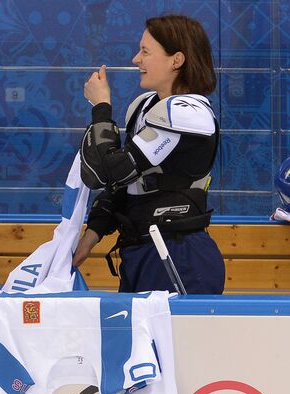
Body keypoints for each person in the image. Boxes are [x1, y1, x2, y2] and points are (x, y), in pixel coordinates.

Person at [73, 13, 225, 294]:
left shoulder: (187, 113)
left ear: (176, 60)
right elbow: (126, 186)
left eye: (145, 51)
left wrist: (102, 107)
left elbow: (110, 171)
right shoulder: (146, 106)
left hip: (178, 256)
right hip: (142, 251)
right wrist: (90, 237)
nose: (136, 59)